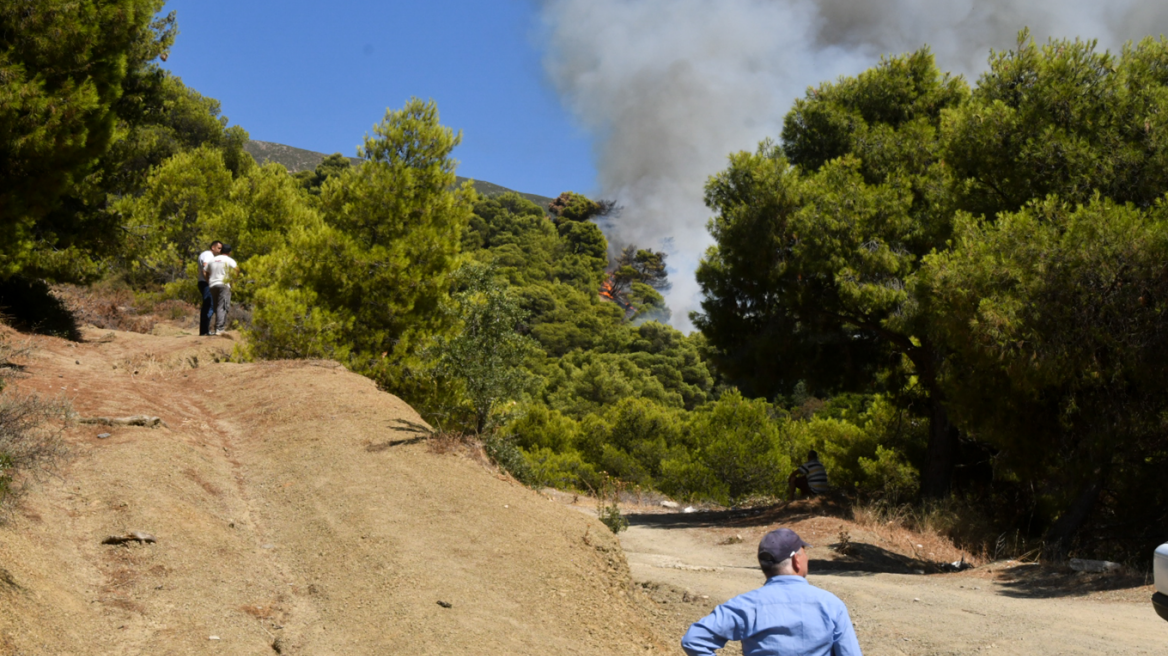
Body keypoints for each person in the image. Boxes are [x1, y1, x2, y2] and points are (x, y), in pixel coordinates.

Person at [681, 528, 862, 656]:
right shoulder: (830, 604)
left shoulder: (744, 605)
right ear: (796, 561)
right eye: (804, 552)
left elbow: (693, 640)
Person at [202, 244, 238, 336]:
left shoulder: (212, 260)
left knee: (216, 306)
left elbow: (205, 271)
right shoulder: (229, 260)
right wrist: (233, 281)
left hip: (212, 285)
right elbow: (236, 270)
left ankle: (215, 327)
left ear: (221, 251)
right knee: (223, 306)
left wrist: (208, 280)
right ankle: (219, 329)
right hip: (223, 284)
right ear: (230, 252)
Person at [196, 241, 222, 335]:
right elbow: (205, 267)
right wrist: (209, 281)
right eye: (219, 248)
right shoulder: (208, 255)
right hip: (206, 283)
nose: (220, 251)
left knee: (207, 305)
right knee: (209, 305)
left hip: (203, 282)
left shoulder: (206, 254)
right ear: (213, 247)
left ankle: (204, 331)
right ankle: (204, 331)